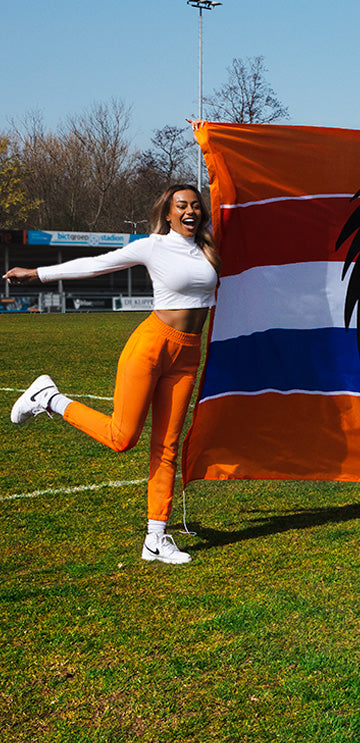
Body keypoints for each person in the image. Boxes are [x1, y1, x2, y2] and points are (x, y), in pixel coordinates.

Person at [5, 184, 219, 564]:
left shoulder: (209, 250)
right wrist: (38, 274)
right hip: (152, 345)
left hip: (188, 354)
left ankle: (156, 538)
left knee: (167, 447)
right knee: (123, 438)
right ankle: (50, 398)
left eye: (196, 206)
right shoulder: (153, 246)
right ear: (168, 214)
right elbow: (95, 264)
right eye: (181, 206)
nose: (190, 211)